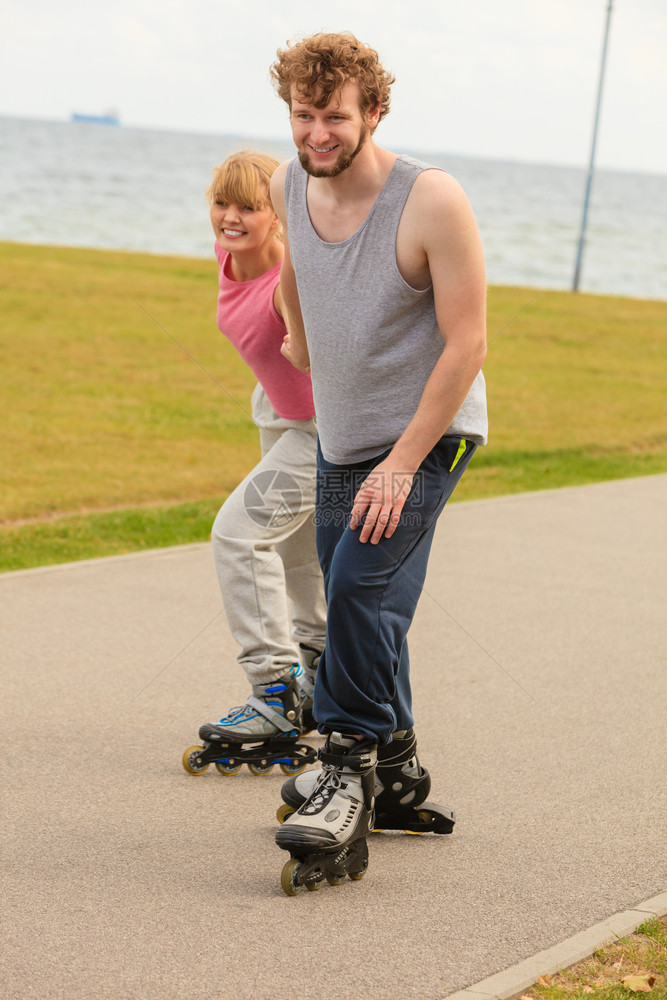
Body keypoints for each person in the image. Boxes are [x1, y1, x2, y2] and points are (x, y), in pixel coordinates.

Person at [267, 33, 489, 893]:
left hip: (425, 437)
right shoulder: (290, 183)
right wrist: (293, 328)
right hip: (343, 436)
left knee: (359, 586)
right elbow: (290, 266)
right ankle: (395, 772)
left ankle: (345, 773)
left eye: (334, 116)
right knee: (362, 605)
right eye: (303, 115)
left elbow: (467, 342)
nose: (317, 133)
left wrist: (400, 463)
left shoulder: (429, 200)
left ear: (374, 113)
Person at [182, 151, 326, 779]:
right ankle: (318, 665)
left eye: (249, 206)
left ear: (278, 214)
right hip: (278, 414)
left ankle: (275, 688)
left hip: (323, 430)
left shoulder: (296, 280)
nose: (231, 217)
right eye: (223, 202)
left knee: (239, 536)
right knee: (292, 551)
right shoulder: (228, 255)